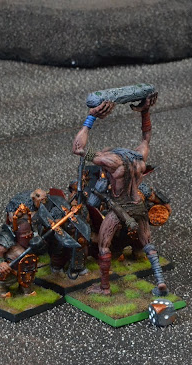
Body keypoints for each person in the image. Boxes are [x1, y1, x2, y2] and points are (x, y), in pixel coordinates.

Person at [72, 92, 168, 296]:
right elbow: (146, 137)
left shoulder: (112, 162)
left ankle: (105, 288)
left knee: (104, 246)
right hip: (138, 206)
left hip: (119, 208)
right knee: (147, 243)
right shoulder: (139, 158)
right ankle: (160, 281)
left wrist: (91, 117)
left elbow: (78, 149)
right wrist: (145, 111)